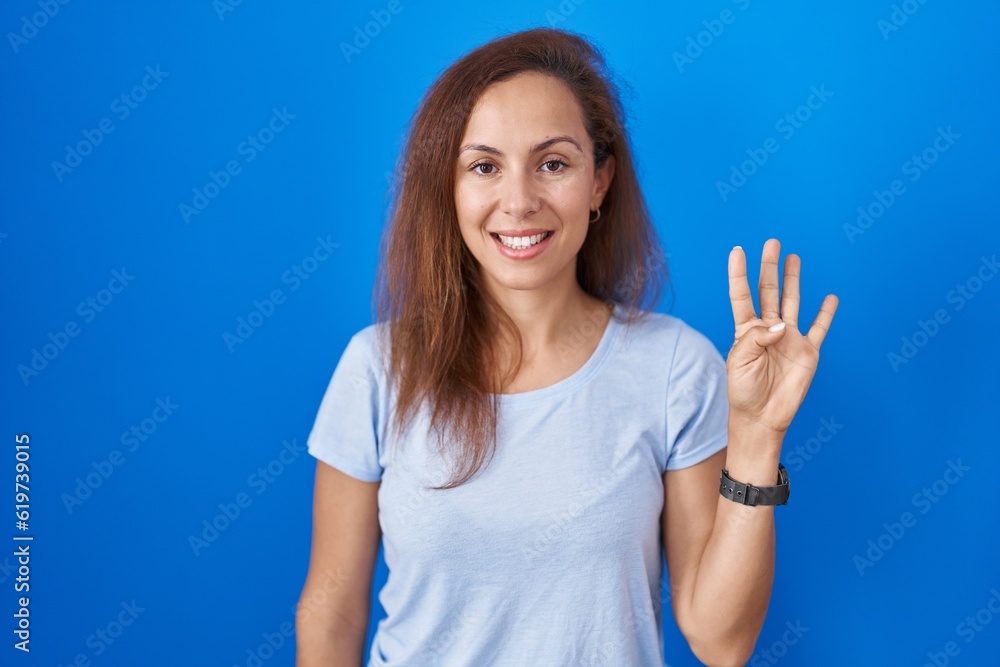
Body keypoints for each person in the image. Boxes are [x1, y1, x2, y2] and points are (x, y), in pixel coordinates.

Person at [295, 27, 837, 667]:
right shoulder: (377, 369)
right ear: (449, 186)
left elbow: (721, 642)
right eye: (484, 166)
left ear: (599, 182)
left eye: (553, 164)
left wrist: (756, 437)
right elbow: (332, 612)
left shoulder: (675, 367)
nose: (519, 202)